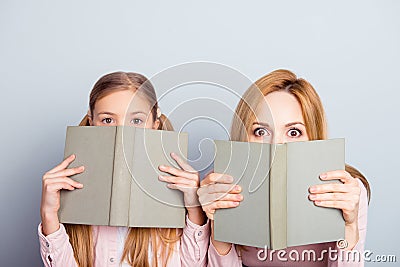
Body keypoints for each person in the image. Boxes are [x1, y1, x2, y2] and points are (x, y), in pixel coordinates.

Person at [198, 69, 370, 266]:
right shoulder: (218, 185)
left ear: (313, 136)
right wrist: (219, 226)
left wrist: (350, 226)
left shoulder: (347, 190)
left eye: (294, 132)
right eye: (260, 131)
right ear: (244, 135)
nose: (276, 145)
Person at [39, 72, 209, 267]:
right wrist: (49, 215)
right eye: (108, 120)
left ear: (155, 124)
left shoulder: (179, 191)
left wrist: (194, 208)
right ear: (91, 122)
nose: (122, 133)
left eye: (136, 120)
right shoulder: (69, 193)